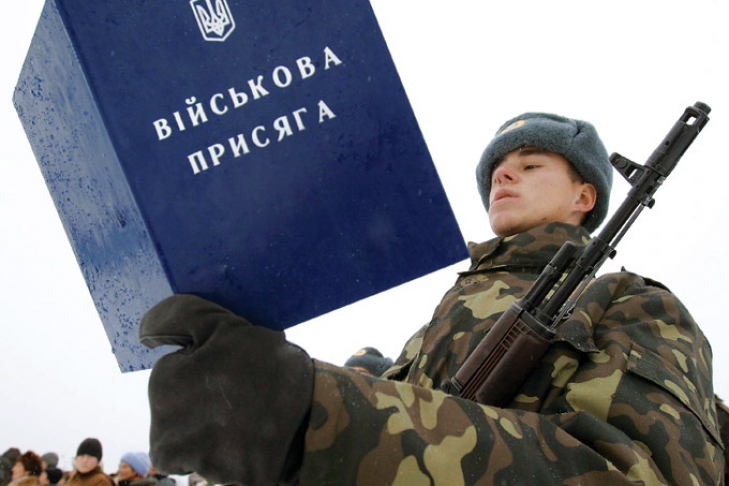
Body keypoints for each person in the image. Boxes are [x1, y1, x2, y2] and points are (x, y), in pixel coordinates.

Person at [138, 112, 724, 485]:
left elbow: (637, 475)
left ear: (584, 197)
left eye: (530, 164)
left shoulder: (632, 304)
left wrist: (313, 414)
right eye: (497, 169)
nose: (502, 176)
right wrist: (265, 393)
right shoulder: (442, 317)